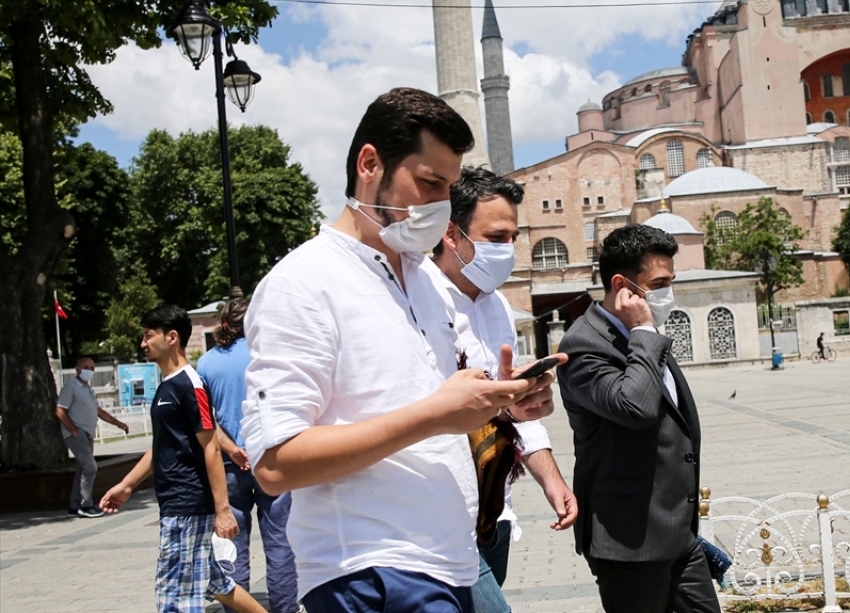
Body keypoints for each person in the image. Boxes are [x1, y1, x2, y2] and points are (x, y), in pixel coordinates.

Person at [239, 88, 559, 613]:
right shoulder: (303, 282)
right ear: (370, 164)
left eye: (449, 188)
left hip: (449, 559)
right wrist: (435, 415)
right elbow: (276, 465)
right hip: (370, 571)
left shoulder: (425, 280)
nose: (441, 204)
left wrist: (503, 405)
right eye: (430, 183)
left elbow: (431, 406)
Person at [425, 166, 578, 613]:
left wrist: (552, 480)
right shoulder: (419, 302)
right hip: (441, 517)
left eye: (513, 237)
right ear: (451, 234)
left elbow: (511, 412)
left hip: (495, 511)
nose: (508, 249)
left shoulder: (499, 308)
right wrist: (503, 406)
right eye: (495, 237)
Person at [557, 224, 718, 613]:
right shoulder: (583, 346)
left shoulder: (644, 334)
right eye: (659, 283)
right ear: (622, 286)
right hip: (630, 542)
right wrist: (644, 330)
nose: (667, 294)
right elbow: (636, 409)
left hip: (677, 532)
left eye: (671, 281)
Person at [99, 304, 267, 613]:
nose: (143, 343)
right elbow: (162, 445)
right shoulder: (167, 385)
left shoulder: (191, 384)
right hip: (176, 504)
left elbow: (211, 447)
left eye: (148, 335)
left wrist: (223, 510)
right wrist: (127, 484)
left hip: (186, 505)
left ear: (172, 337)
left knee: (174, 597)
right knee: (217, 583)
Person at [197, 297, 299, 613]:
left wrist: (231, 448)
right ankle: (284, 607)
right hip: (271, 457)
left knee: (233, 544)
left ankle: (238, 608)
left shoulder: (207, 363)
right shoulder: (270, 356)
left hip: (229, 463)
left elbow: (204, 420)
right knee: (280, 540)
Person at [56, 357, 129, 518]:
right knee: (90, 467)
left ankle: (74, 506)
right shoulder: (70, 387)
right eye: (85, 367)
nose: (89, 370)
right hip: (78, 433)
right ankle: (86, 505)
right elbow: (60, 411)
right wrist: (74, 430)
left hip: (87, 433)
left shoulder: (88, 390)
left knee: (83, 468)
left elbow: (99, 411)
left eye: (92, 368)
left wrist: (119, 423)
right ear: (77, 369)